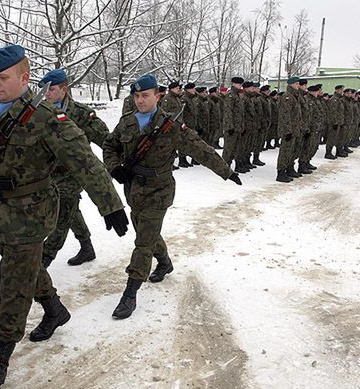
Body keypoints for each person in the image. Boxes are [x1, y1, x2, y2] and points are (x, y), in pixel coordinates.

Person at [0, 44, 128, 389]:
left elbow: (84, 162)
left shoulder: (45, 118)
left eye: (3, 78)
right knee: (24, 267)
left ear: (25, 79)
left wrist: (111, 205)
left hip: (30, 214)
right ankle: (55, 309)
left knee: (13, 279)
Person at [103, 74, 242, 320]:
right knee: (144, 231)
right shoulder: (126, 123)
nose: (140, 101)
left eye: (145, 95)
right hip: (134, 189)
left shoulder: (171, 126)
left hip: (159, 189)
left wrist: (226, 171)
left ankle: (130, 293)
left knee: (143, 241)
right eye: (136, 96)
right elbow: (110, 146)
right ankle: (165, 262)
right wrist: (115, 167)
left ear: (158, 96)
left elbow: (201, 149)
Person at [38, 68, 110, 268]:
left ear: (64, 89)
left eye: (51, 89)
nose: (47, 94)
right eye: (45, 90)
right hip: (49, 174)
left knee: (61, 214)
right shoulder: (40, 112)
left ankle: (43, 260)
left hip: (74, 174)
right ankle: (86, 246)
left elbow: (107, 141)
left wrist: (117, 163)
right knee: (71, 210)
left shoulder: (81, 114)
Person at [275, 77, 302, 183]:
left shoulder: (295, 97)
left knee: (292, 151)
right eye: (296, 83)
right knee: (285, 151)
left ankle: (289, 168)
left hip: (294, 129)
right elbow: (284, 116)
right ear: (291, 84)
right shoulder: (287, 97)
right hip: (288, 131)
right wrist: (287, 131)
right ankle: (281, 172)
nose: (298, 85)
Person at [222, 77, 245, 171]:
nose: (240, 86)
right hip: (231, 127)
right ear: (233, 84)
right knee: (229, 148)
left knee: (236, 148)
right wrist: (229, 126)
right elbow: (228, 112)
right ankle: (224, 168)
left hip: (238, 127)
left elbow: (240, 113)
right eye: (238, 84)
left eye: (241, 84)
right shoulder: (230, 95)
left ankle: (234, 166)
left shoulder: (237, 95)